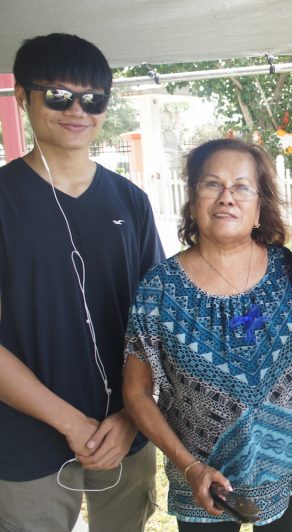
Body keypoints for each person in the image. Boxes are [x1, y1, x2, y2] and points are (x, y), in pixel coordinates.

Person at [0, 33, 164, 531]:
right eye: (57, 95)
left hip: (125, 431)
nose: (77, 109)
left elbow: (159, 323)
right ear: (23, 97)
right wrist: (70, 422)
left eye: (93, 99)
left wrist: (133, 416)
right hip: (24, 437)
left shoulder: (130, 202)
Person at [122, 138, 292, 531]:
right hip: (203, 475)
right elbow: (135, 392)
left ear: (259, 207)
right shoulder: (159, 288)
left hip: (287, 456)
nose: (226, 197)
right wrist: (191, 467)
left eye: (242, 187)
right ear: (193, 201)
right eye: (212, 184)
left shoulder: (288, 267)